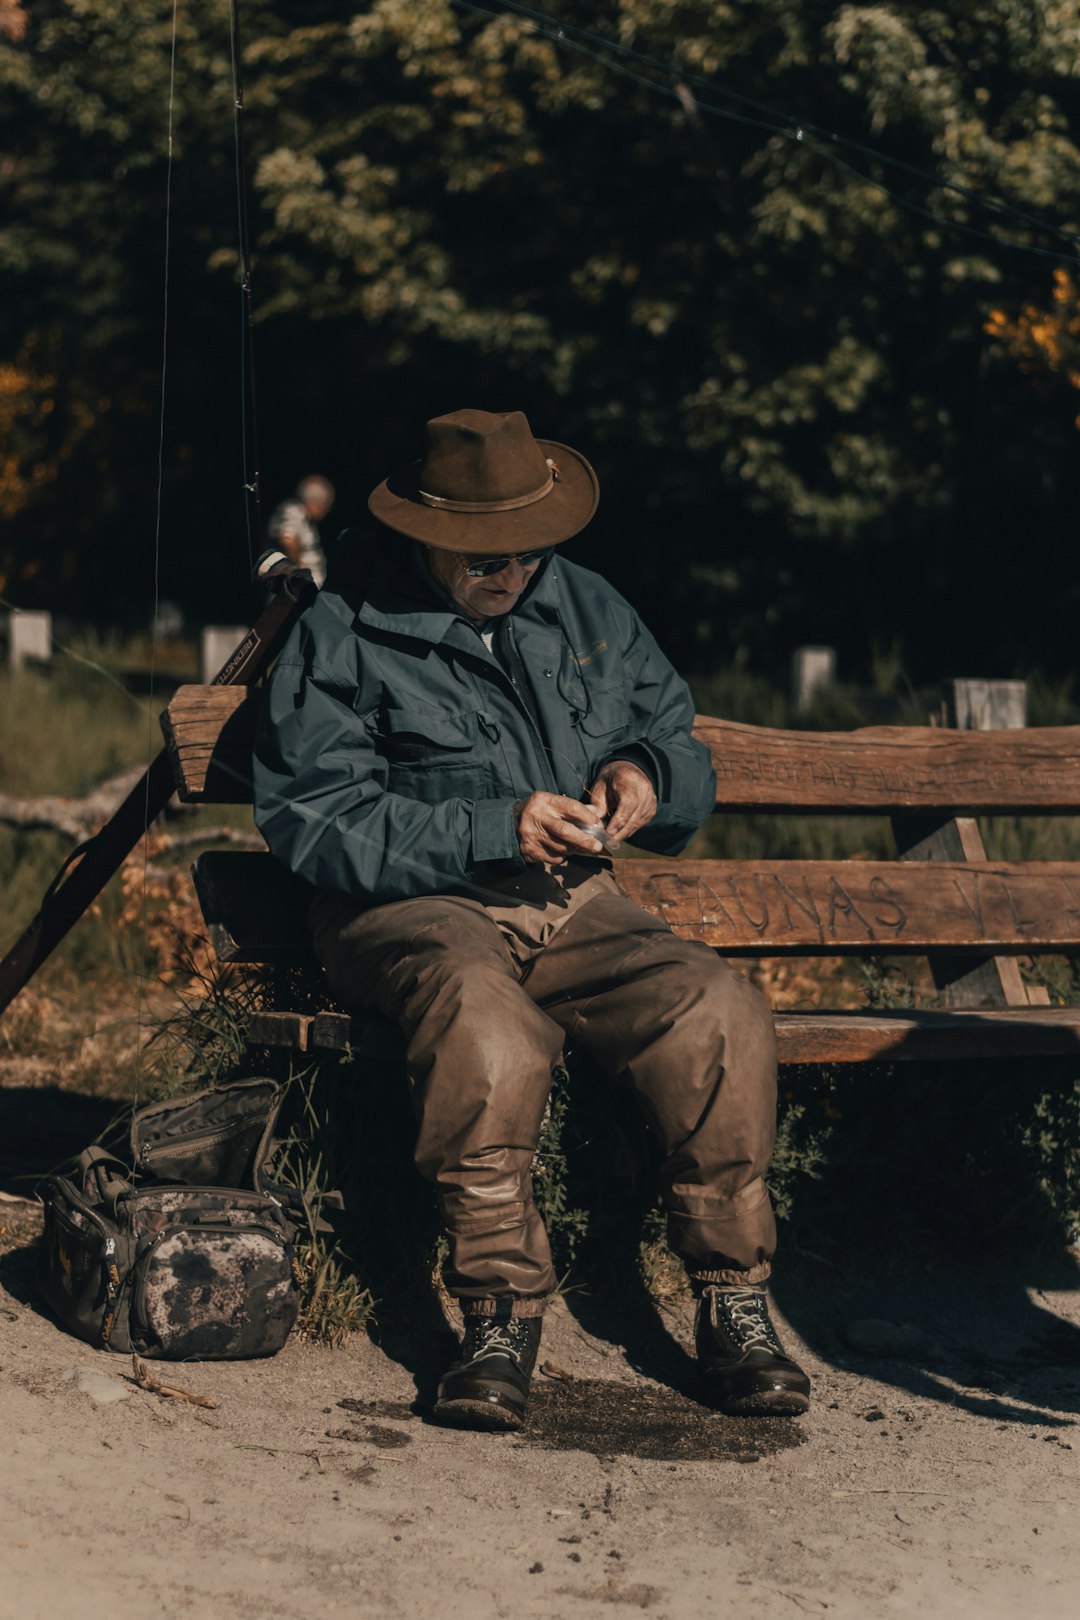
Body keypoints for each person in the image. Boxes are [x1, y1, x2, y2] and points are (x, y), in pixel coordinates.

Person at [252, 408, 810, 1430]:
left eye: (526, 550)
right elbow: (314, 818)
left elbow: (676, 736)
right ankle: (500, 1308)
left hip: (569, 902)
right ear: (426, 533)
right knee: (486, 1020)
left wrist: (647, 776)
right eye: (481, 556)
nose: (508, 572)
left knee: (716, 1007)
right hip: (410, 906)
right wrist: (492, 823)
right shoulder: (343, 623)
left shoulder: (588, 606)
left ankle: (732, 1294)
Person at [266, 474, 336, 588]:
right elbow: (287, 539)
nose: (325, 511)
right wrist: (299, 576)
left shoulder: (305, 518)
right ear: (318, 503)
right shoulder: (292, 511)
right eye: (325, 506)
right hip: (297, 589)